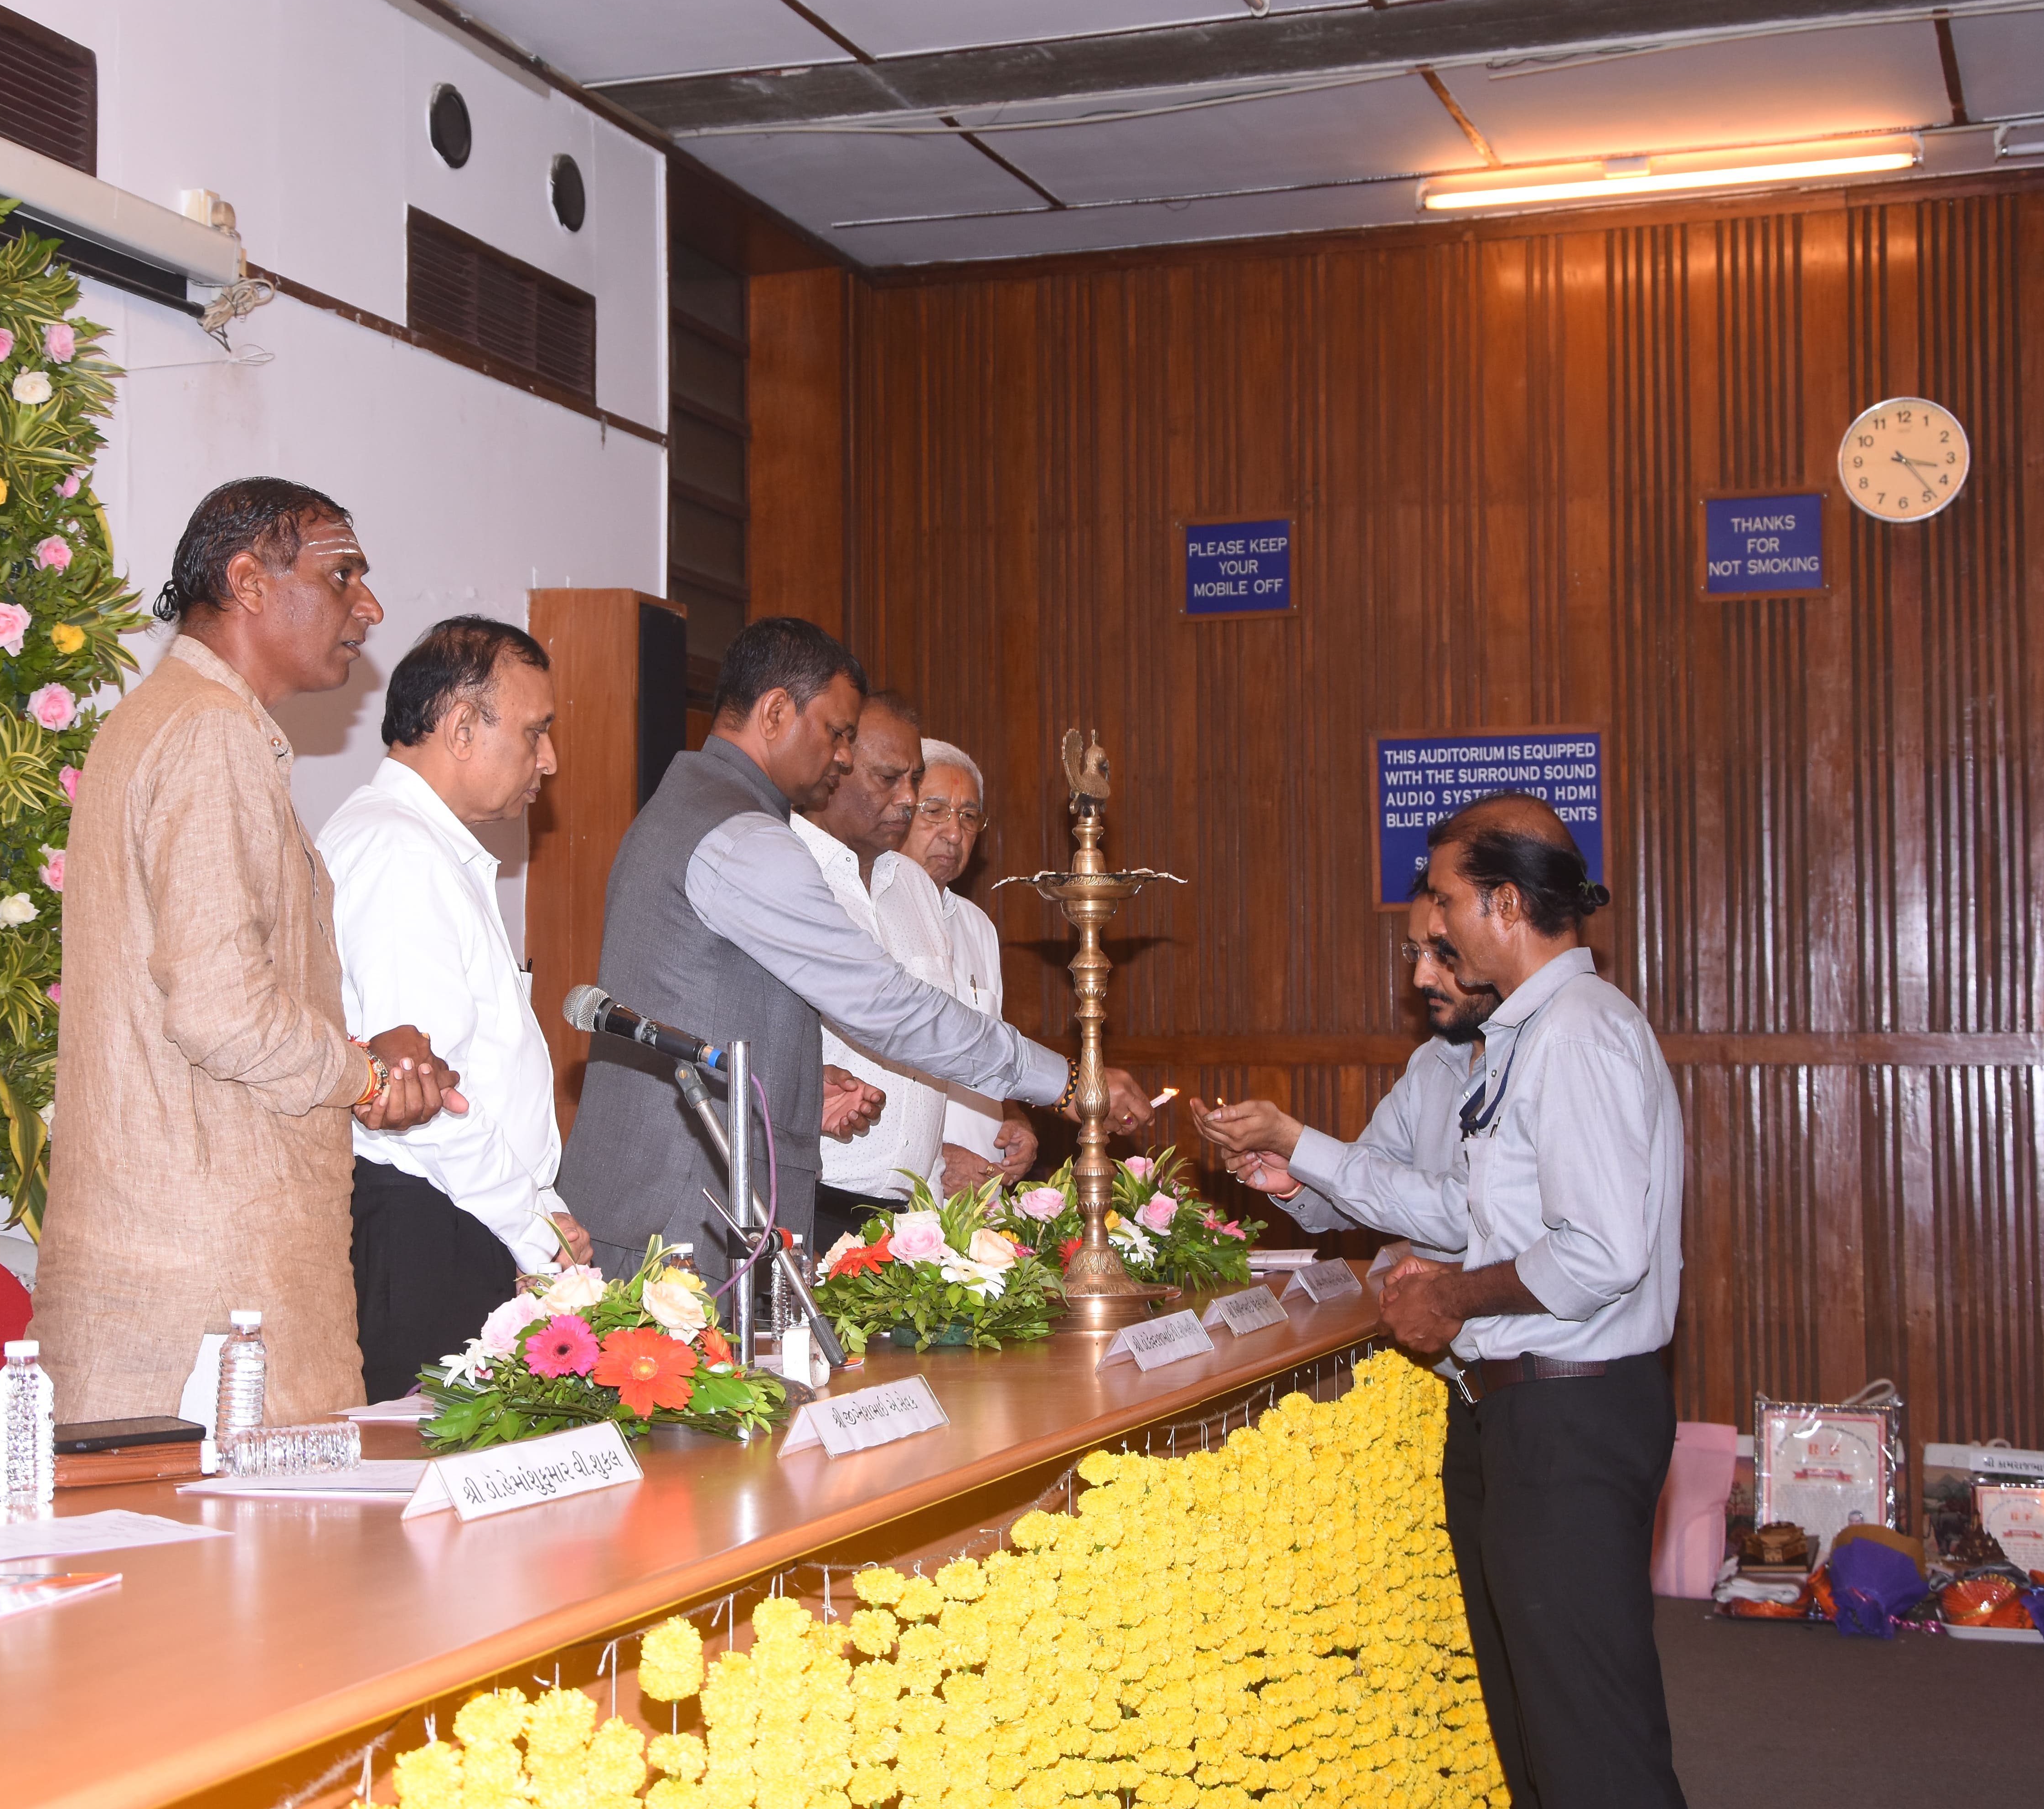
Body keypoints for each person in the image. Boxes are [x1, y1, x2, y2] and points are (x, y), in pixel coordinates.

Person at [1270, 792, 1683, 1809]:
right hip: (1526, 1407)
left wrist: (1451, 1296)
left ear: (1503, 902)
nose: (1439, 926)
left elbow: (1598, 1252)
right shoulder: (1524, 1035)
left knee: (1594, 1746)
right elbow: (1481, 1212)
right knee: (1535, 1733)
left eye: (1448, 900)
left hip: (1572, 1412)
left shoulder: (1576, 1032)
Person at [35, 479, 464, 1430]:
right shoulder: (209, 731)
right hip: (212, 1296)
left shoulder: (166, 718)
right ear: (249, 583)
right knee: (254, 1535)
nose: (370, 607)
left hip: (186, 1272)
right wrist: (365, 1077)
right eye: (342, 575)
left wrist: (359, 1058)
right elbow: (222, 1010)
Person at [560, 617, 1156, 1278]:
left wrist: (793, 1082)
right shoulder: (747, 839)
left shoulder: (686, 805)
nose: (843, 757)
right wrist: (1066, 1081)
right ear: (776, 712)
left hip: (663, 1194)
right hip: (687, 1203)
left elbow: (698, 997)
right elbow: (888, 1006)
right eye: (838, 733)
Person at [316, 617, 594, 1403]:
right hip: (428, 1227)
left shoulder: (425, 846)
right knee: (433, 1471)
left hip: (462, 1215)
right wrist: (534, 1232)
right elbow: (428, 1098)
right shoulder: (399, 850)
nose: (549, 759)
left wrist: (540, 1209)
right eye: (535, 732)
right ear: (463, 727)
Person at [1194, 887, 1482, 1255]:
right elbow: (1371, 1183)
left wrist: (1295, 1142)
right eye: (1415, 952)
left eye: (1442, 953)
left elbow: (1463, 1214)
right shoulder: (1431, 1061)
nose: (1420, 977)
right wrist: (1297, 1179)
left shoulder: (1534, 1057)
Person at [793, 691, 955, 1245]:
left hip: (916, 1215)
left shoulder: (916, 886)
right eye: (889, 778)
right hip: (810, 1206)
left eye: (916, 779)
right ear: (834, 767)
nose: (909, 799)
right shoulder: (784, 871)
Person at [899, 740, 1039, 1195]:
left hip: (983, 1199)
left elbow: (986, 1050)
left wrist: (1013, 1117)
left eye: (969, 816)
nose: (955, 833)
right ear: (898, 808)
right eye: (935, 811)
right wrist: (936, 1156)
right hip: (899, 1196)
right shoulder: (865, 914)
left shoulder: (979, 926)